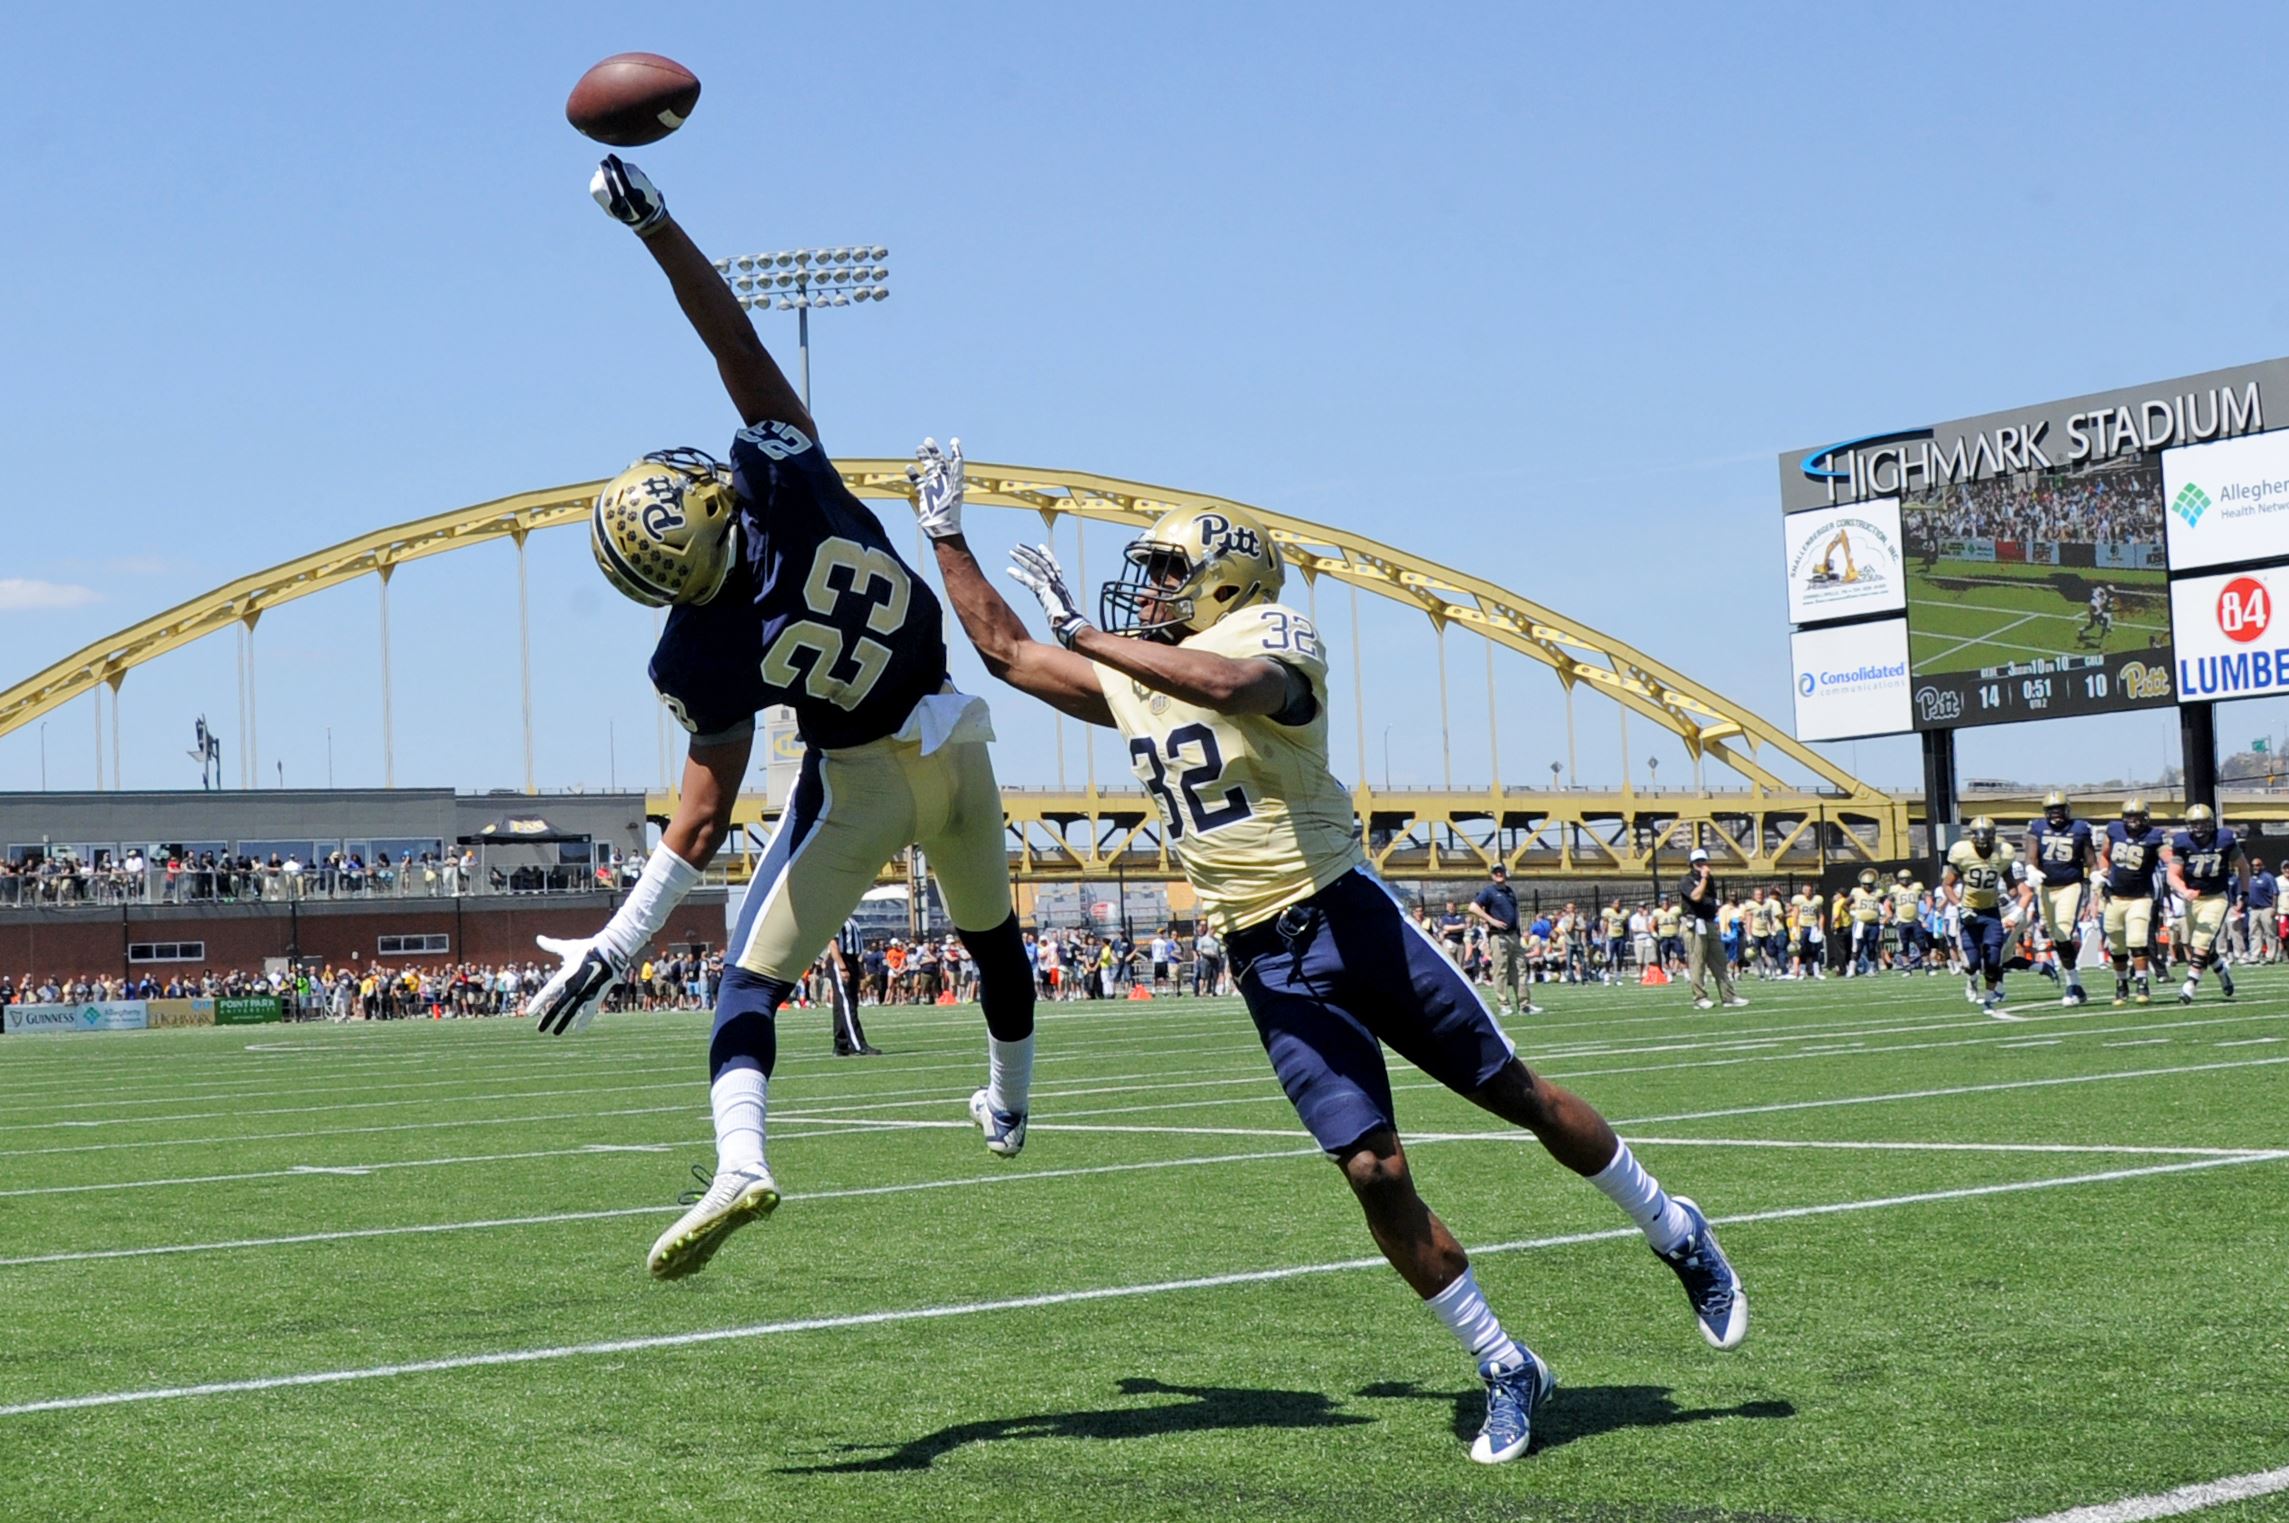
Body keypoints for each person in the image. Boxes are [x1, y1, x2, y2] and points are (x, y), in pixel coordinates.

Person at [914, 463, 1744, 1464]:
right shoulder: (1140, 670)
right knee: (1372, 1167)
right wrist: (944, 531)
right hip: (1262, 955)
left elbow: (1228, 686)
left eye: (1172, 569)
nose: (1152, 587)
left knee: (1512, 1092)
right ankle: (1504, 1361)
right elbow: (1006, 652)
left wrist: (1090, 637)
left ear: (1227, 580)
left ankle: (1671, 1225)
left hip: (1348, 917)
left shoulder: (1270, 635)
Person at [524, 160, 1039, 1283]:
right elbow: (733, 338)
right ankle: (1008, 1102)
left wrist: (618, 943)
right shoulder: (785, 479)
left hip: (855, 787)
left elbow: (702, 820)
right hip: (957, 744)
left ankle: (740, 1161)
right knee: (993, 937)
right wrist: (656, 222)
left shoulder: (695, 646)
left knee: (748, 987)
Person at [2163, 804, 2245, 1005]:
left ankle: (2190, 985)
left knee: (2201, 941)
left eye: (2202, 822)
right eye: (2194, 823)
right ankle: (2222, 973)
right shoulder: (2182, 842)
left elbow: (2243, 867)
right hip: (2194, 899)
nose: (2199, 827)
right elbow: (2172, 874)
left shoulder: (2224, 839)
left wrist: (2244, 893)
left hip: (2216, 897)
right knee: (2202, 946)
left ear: (2211, 823)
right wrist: (2184, 891)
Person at [2023, 790, 2095, 1007]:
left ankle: (2072, 984)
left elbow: (2091, 860)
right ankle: (2075, 984)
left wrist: (2096, 877)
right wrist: (2030, 869)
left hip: (2070, 886)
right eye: (2051, 810)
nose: (2056, 814)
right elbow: (2031, 855)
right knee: (2056, 937)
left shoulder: (2079, 829)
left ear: (2067, 810)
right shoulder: (2037, 828)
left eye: (2059, 809)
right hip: (2045, 887)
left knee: (2064, 932)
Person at [1943, 817, 2015, 1014]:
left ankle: (1990, 999)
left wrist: (2006, 899)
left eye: (1987, 838)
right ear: (1972, 837)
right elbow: (1947, 885)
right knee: (1972, 962)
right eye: (1979, 838)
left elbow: (2012, 887)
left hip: (1991, 912)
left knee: (1993, 959)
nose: (1983, 843)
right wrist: (1959, 906)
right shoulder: (1962, 852)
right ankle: (1971, 980)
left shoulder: (2004, 853)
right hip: (1969, 911)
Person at [2098, 798, 2165, 1006]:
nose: (2133, 820)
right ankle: (2121, 985)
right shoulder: (2114, 830)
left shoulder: (2155, 836)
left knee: (2137, 940)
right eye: (2129, 816)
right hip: (2114, 896)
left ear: (2145, 816)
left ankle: (2143, 984)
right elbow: (2105, 855)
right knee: (2117, 945)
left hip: (2140, 897)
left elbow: (2168, 857)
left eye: (2137, 816)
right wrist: (2102, 873)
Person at [1467, 863, 1538, 1017]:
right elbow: (1473, 907)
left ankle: (1524, 1004)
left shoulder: (1509, 891)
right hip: (1498, 935)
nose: (1499, 874)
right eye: (1496, 872)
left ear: (1506, 873)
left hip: (1513, 935)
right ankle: (1504, 1004)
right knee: (1501, 971)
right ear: (1492, 875)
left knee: (1520, 969)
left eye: (1501, 871)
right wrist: (1491, 920)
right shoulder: (1489, 891)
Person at [1680, 849, 1745, 1010]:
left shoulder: (1711, 879)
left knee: (1720, 961)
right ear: (1692, 864)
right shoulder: (1686, 880)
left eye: (1704, 861)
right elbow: (1696, 897)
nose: (1702, 864)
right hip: (1695, 924)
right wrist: (1703, 879)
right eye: (1698, 862)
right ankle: (1700, 997)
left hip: (1709, 922)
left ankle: (1728, 996)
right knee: (1698, 962)